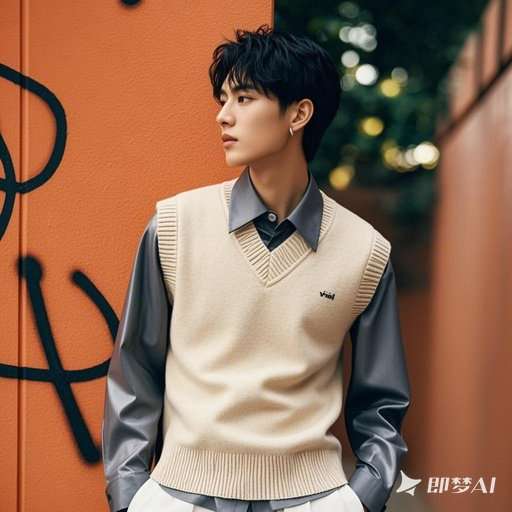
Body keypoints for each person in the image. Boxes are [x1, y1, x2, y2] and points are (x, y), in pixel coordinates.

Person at [101, 24, 410, 512]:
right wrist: (130, 495)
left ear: (299, 114)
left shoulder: (364, 251)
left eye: (244, 98)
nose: (223, 115)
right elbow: (135, 368)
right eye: (223, 99)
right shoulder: (175, 226)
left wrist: (363, 498)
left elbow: (381, 403)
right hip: (178, 497)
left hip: (315, 500)